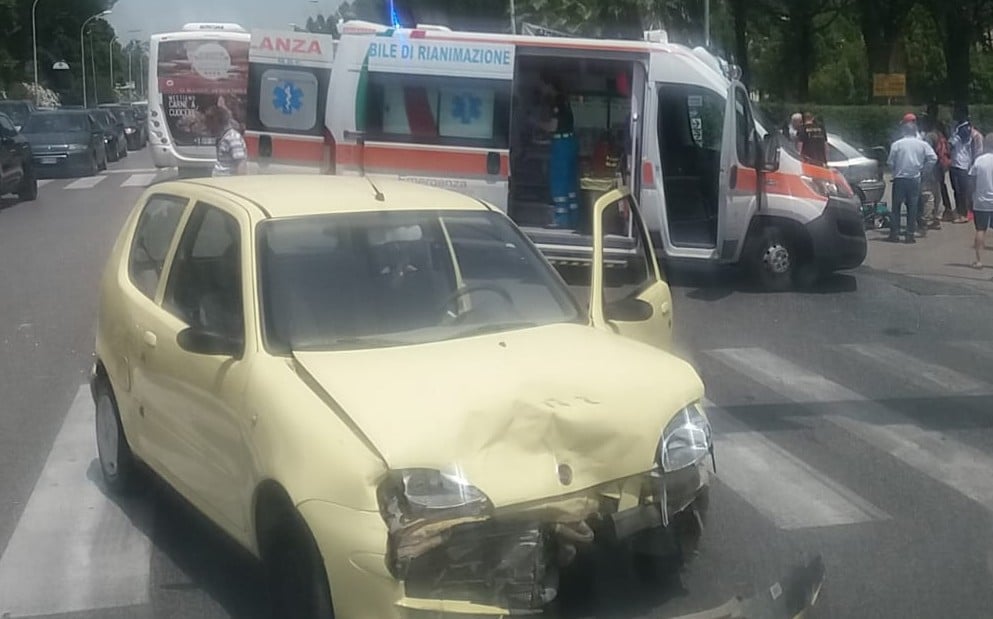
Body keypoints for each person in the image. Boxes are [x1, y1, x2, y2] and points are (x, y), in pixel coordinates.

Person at [535, 75, 578, 228]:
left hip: (561, 144)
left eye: (541, 86)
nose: (541, 90)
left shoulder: (556, 102)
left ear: (549, 85)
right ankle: (573, 219)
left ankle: (560, 219)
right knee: (569, 185)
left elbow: (553, 127)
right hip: (570, 142)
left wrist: (537, 124)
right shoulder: (564, 101)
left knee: (559, 182)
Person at [887, 120, 937, 243]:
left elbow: (890, 162)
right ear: (915, 132)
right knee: (913, 207)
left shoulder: (897, 144)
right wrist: (925, 170)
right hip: (914, 178)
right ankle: (910, 235)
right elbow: (933, 158)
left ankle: (895, 234)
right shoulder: (922, 144)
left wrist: (894, 170)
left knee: (896, 207)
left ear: (903, 131)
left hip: (899, 178)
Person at [949, 107, 983, 224]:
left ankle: (963, 214)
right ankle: (959, 211)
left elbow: (952, 143)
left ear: (963, 114)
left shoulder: (965, 128)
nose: (954, 114)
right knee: (956, 189)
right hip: (955, 163)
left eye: (956, 112)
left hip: (962, 164)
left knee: (962, 190)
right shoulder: (958, 127)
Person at [968, 133, 993, 269]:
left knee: (980, 229)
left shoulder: (979, 160)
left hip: (981, 200)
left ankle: (979, 260)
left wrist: (971, 196)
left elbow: (971, 179)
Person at [205, 106, 247, 177]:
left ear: (216, 121)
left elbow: (240, 163)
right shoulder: (223, 137)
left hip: (227, 182)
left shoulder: (232, 138)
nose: (207, 126)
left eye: (209, 122)